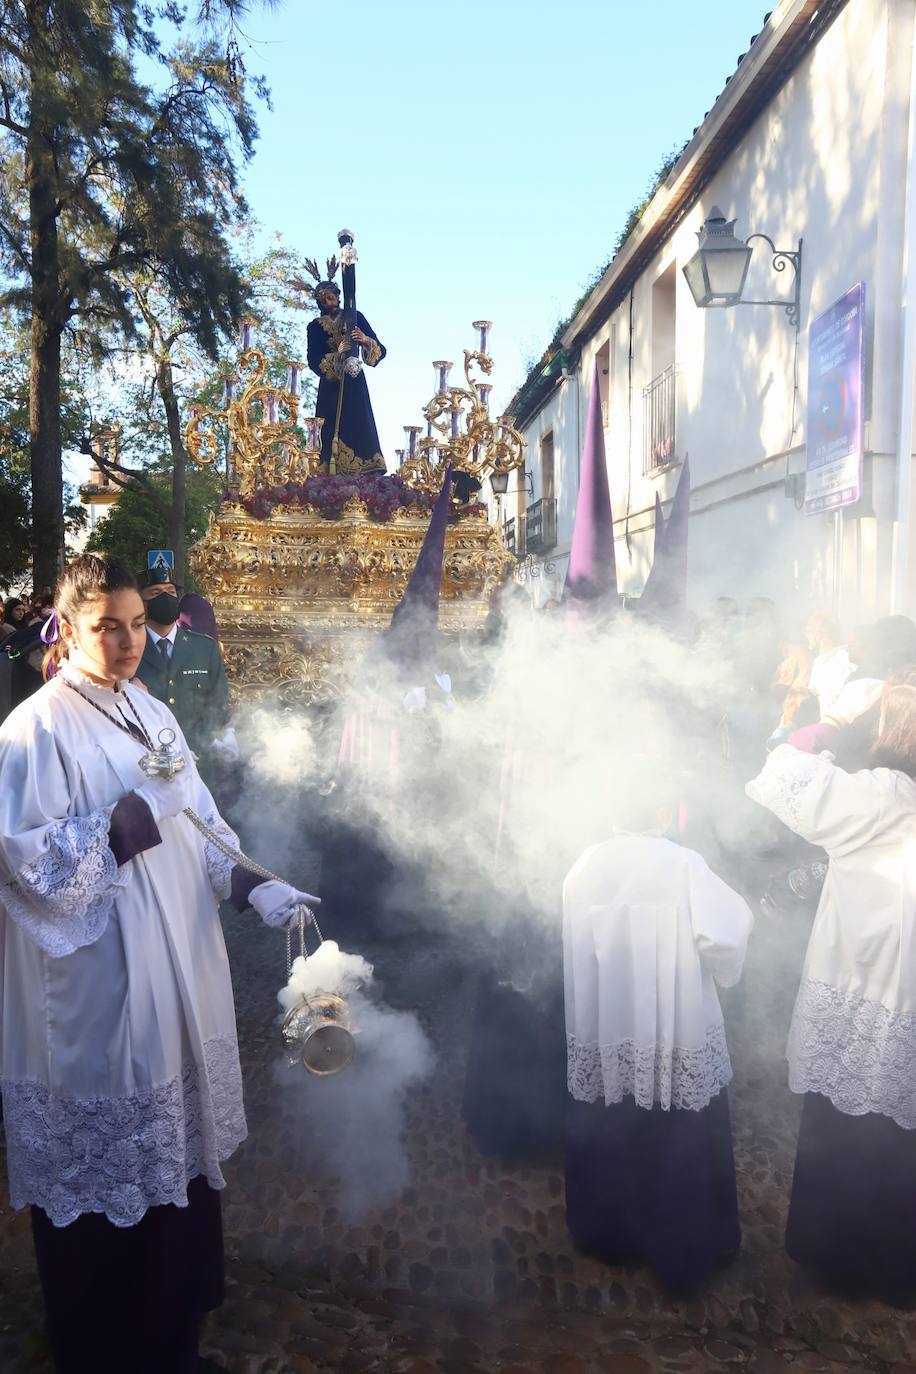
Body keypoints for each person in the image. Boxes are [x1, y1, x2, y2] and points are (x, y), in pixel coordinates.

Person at [0, 553, 318, 1373]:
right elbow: (30, 868)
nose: (129, 641)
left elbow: (205, 825)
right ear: (67, 628)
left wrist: (256, 888)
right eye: (108, 626)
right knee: (113, 1181)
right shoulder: (36, 727)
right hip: (101, 989)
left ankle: (171, 1333)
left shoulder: (152, 710)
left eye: (139, 623)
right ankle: (110, 1347)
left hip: (182, 970)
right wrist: (135, 813)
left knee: (174, 1165)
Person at [746, 670, 916, 1304]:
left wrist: (834, 721)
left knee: (845, 1117)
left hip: (859, 979)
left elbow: (779, 773)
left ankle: (834, 1252)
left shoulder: (882, 794)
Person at [562, 770, 753, 1291]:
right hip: (678, 1030)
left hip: (607, 1027)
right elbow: (726, 936)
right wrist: (722, 974)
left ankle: (609, 1232)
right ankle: (685, 1239)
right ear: (664, 813)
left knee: (610, 1118)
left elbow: (573, 946)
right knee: (680, 1131)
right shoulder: (685, 865)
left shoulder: (585, 864)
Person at [133, 568, 236, 769]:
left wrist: (195, 745)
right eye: (155, 593)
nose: (165, 597)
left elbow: (217, 703)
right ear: (141, 603)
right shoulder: (130, 649)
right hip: (147, 765)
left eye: (171, 592)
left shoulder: (204, 648)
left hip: (200, 763)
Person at [306, 279, 386, 474]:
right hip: (330, 386)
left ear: (338, 296)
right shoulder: (315, 326)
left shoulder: (354, 317)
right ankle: (329, 468)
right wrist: (336, 355)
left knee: (357, 420)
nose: (328, 302)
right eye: (323, 300)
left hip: (353, 380)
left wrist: (365, 340)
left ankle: (365, 465)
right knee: (329, 425)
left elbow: (380, 350)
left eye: (331, 297)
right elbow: (313, 359)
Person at [806, 610, 853, 717]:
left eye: (808, 630)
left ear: (819, 634)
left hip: (835, 723)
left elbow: (838, 695)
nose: (806, 635)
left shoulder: (845, 658)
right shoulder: (818, 660)